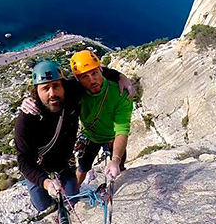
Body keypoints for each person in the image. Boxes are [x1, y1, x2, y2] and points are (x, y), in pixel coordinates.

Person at [15, 60, 133, 215]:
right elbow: (24, 160)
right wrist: (47, 183)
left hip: (62, 163)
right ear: (36, 91)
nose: (52, 93)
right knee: (43, 206)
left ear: (63, 85)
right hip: (39, 166)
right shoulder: (27, 118)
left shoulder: (72, 92)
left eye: (56, 86)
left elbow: (92, 74)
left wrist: (120, 77)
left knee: (73, 199)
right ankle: (36, 189)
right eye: (45, 88)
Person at [69, 50, 133, 185]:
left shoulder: (120, 92)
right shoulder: (76, 92)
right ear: (77, 79)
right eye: (85, 77)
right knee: (82, 168)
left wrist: (115, 160)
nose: (92, 80)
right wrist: (32, 101)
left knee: (119, 165)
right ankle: (72, 196)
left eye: (94, 73)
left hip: (112, 137)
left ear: (101, 70)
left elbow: (122, 128)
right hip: (90, 135)